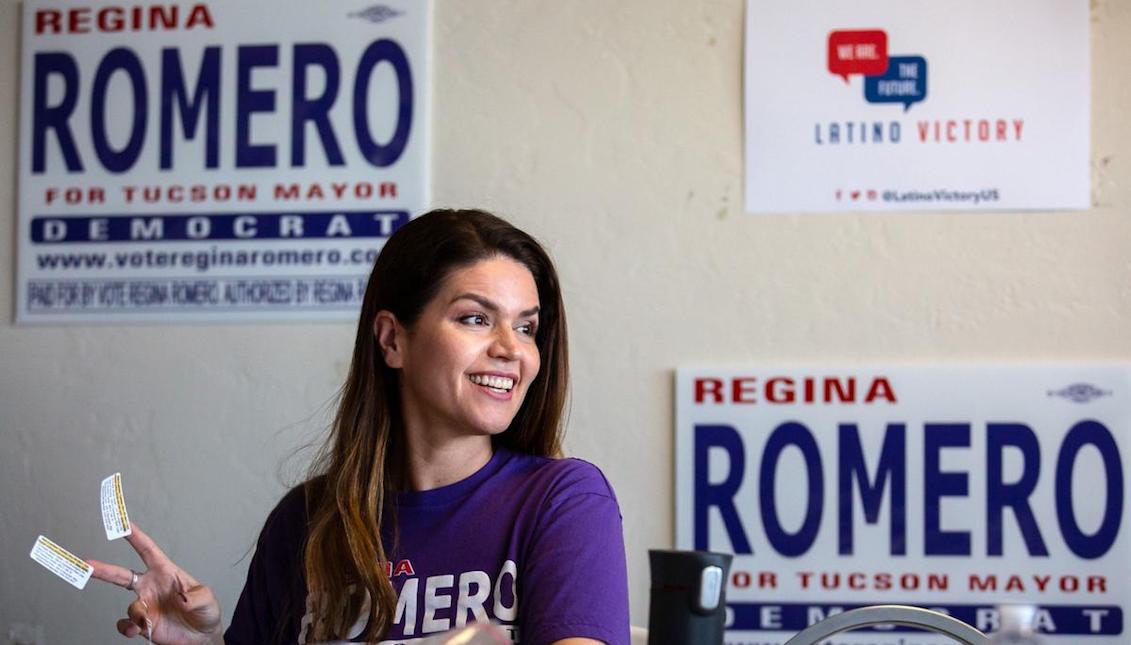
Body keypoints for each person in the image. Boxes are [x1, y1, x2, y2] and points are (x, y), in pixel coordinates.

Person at [87, 209, 631, 644]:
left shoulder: (565, 502)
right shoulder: (302, 523)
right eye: (475, 318)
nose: (512, 350)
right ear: (393, 340)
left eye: (527, 327)